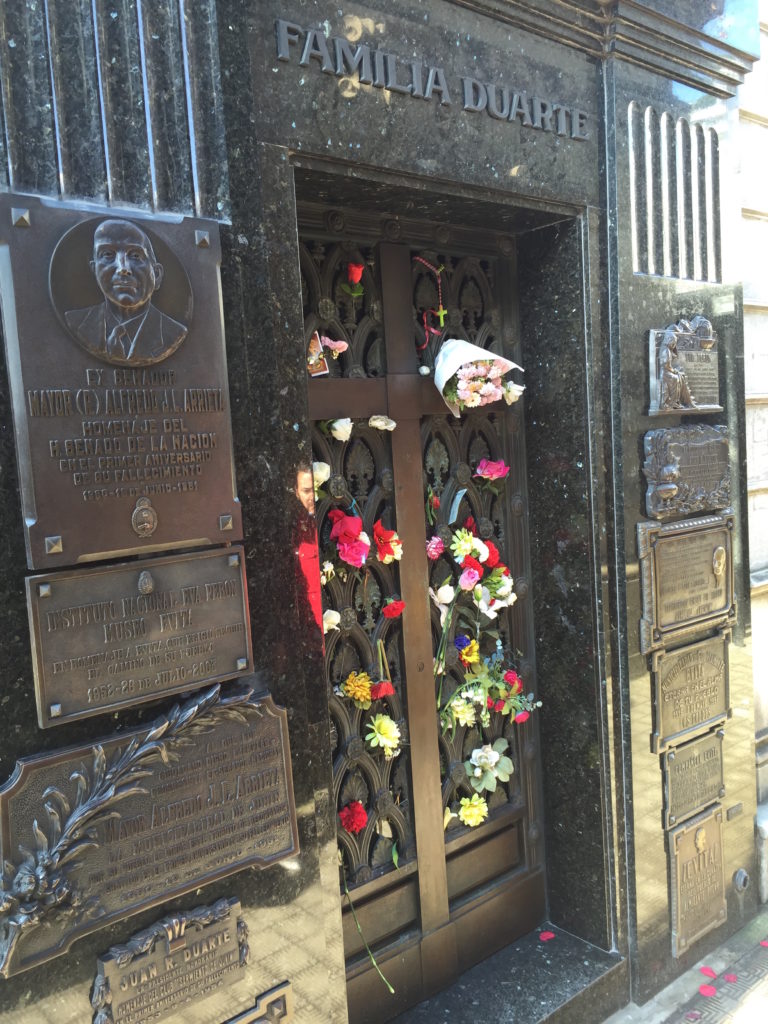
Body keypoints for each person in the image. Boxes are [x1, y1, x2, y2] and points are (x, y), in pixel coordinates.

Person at [65, 219, 187, 365]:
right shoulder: (75, 322)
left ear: (157, 274)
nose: (123, 268)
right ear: (94, 271)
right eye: (107, 254)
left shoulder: (174, 333)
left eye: (135, 256)